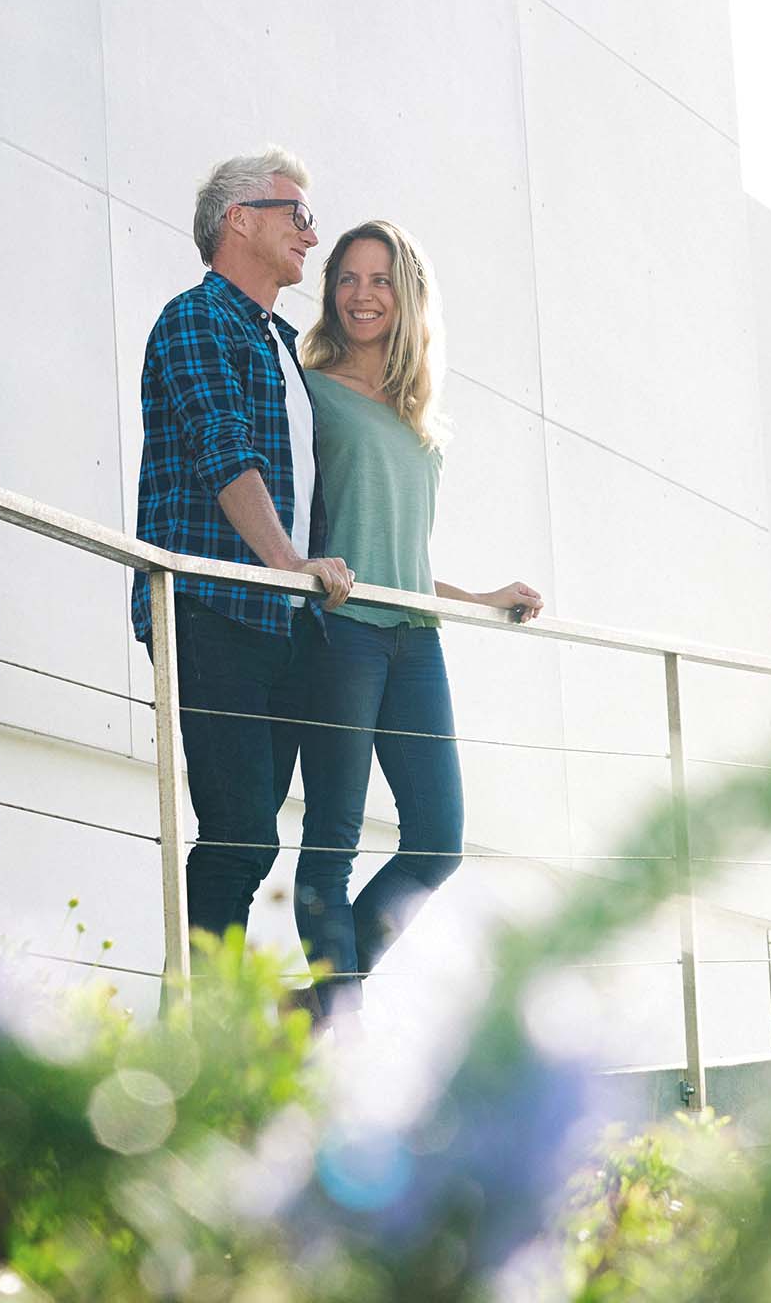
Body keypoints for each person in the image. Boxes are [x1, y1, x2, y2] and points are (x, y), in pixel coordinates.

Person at [292, 219, 545, 1024]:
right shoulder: (311, 391)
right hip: (342, 633)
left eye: (380, 280)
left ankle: (313, 1011)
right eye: (347, 279)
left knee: (437, 840)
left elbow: (394, 551)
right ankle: (339, 1032)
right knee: (330, 842)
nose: (362, 296)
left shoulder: (417, 419)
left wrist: (478, 600)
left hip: (414, 639)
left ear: (407, 297)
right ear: (330, 292)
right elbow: (316, 533)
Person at [131, 148, 355, 975]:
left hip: (282, 623)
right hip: (213, 609)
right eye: (295, 213)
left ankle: (206, 1039)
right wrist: (288, 561)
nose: (311, 231)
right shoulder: (196, 320)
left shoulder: (287, 344)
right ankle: (185, 1049)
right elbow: (222, 449)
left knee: (255, 841)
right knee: (240, 836)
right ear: (239, 219)